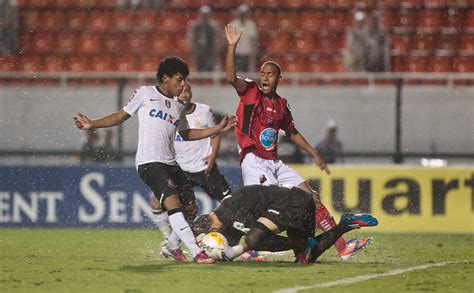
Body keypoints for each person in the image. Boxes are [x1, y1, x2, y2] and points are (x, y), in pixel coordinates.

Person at [225, 24, 370, 261]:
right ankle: (252, 248)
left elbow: (291, 132)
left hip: (274, 162)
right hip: (254, 161)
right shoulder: (251, 93)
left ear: (279, 78)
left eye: (270, 74)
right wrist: (232, 46)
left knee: (310, 197)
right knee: (274, 210)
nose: (264, 77)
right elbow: (230, 77)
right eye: (263, 73)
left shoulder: (282, 105)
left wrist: (314, 153)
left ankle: (342, 247)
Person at [73, 56, 236, 264]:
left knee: (190, 208)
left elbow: (186, 133)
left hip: (171, 164)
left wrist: (217, 129)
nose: (183, 84)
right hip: (150, 162)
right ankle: (197, 253)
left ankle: (172, 247)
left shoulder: (178, 106)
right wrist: (92, 124)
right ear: (165, 78)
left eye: (185, 79)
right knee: (173, 203)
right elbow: (121, 115)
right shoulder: (145, 93)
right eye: (179, 79)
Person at [150, 81, 232, 260]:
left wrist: (212, 155)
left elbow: (215, 134)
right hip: (181, 170)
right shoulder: (169, 113)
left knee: (230, 202)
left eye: (188, 91)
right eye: (182, 91)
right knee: (186, 210)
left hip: (205, 168)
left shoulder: (204, 111)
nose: (185, 94)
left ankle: (236, 243)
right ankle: (170, 244)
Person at [192, 185, 378, 263]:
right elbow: (228, 248)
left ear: (213, 229)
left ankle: (302, 243)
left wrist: (230, 252)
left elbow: (250, 240)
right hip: (296, 202)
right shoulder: (226, 216)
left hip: (291, 203)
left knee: (255, 238)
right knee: (306, 258)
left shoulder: (230, 214)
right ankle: (346, 224)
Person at [187, 5, 223, 72]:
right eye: (203, 14)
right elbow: (191, 38)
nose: (205, 16)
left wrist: (216, 50)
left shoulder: (214, 26)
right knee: (199, 69)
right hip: (199, 51)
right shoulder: (196, 26)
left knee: (211, 69)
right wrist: (193, 49)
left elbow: (217, 39)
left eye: (206, 14)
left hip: (211, 51)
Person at [229, 4, 258, 72]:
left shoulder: (251, 24)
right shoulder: (234, 24)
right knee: (237, 73)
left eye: (244, 13)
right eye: (242, 13)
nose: (243, 15)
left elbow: (254, 40)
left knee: (247, 74)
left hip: (247, 53)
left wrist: (253, 53)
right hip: (237, 53)